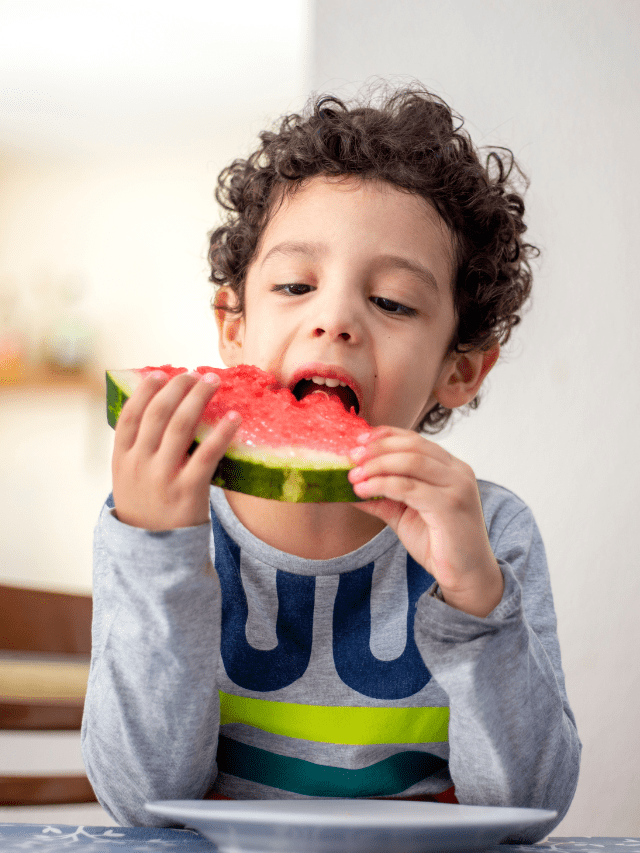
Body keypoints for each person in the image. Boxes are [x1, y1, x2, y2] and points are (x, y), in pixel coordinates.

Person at [82, 84, 581, 839]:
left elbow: (529, 808)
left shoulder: (491, 533)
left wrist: (477, 596)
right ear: (234, 325)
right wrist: (158, 554)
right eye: (294, 285)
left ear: (462, 369)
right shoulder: (164, 521)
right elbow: (140, 798)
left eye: (392, 301)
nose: (337, 318)